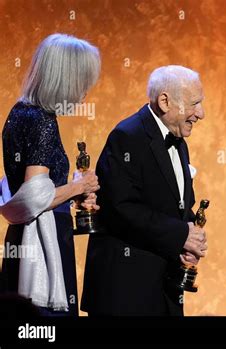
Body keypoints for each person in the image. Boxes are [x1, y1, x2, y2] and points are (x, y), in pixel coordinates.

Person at [81, 65, 207, 316]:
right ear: (164, 101)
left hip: (163, 288)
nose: (200, 113)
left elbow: (174, 203)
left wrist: (190, 239)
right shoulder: (127, 136)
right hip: (126, 292)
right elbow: (121, 208)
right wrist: (181, 233)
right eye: (194, 104)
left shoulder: (178, 140)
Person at [1, 33, 100, 316]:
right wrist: (79, 187)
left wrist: (70, 195)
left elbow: (30, 190)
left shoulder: (20, 113)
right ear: (64, 78)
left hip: (23, 239)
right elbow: (34, 196)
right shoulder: (40, 120)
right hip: (44, 247)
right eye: (82, 81)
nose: (84, 91)